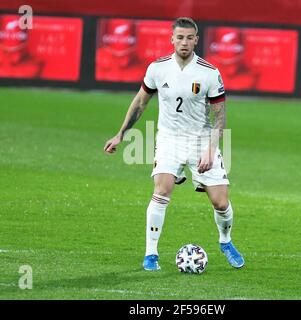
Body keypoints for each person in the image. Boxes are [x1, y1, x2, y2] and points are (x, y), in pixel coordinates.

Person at [104, 17, 245, 271]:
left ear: (196, 40)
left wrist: (211, 150)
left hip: (201, 140)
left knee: (220, 202)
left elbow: (220, 116)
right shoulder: (157, 69)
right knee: (162, 189)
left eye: (189, 37)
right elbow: (140, 103)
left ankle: (225, 242)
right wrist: (120, 134)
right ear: (172, 39)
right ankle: (151, 254)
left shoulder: (209, 73)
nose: (184, 42)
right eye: (179, 37)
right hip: (169, 139)